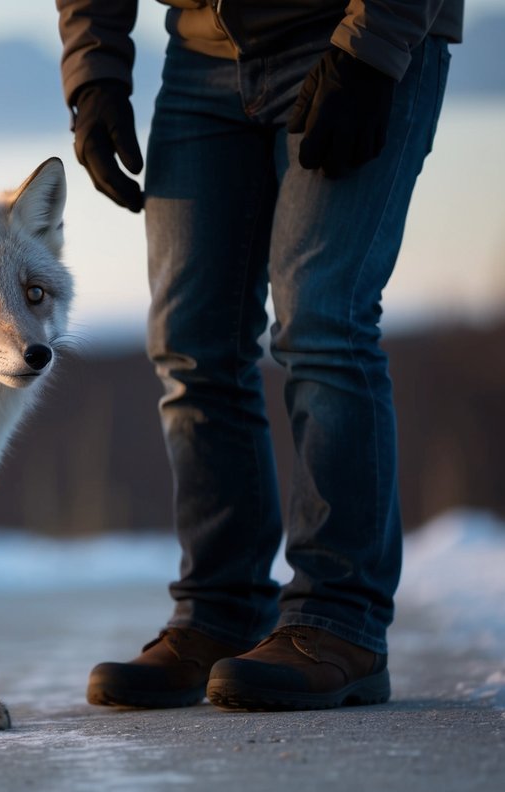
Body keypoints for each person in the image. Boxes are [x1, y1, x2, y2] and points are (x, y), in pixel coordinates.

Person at [56, 0, 462, 711]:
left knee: (321, 319)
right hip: (202, 56)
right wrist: (94, 74)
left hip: (351, 34)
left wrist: (371, 49)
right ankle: (221, 613)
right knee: (190, 344)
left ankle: (341, 623)